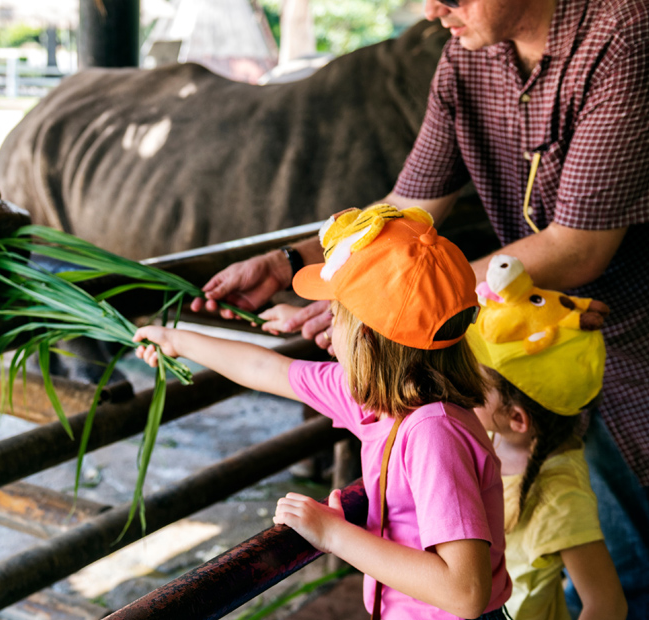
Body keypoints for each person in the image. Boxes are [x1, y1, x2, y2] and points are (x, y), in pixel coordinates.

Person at [191, 0, 649, 611]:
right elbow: (408, 207)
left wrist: (379, 294)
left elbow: (579, 245)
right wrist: (291, 263)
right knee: (584, 544)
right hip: (528, 348)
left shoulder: (624, 32)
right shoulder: (467, 53)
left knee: (629, 549)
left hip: (629, 345)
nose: (434, 9)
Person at [136, 206, 511, 620]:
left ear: (364, 336)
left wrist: (333, 534)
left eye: (335, 315)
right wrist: (178, 341)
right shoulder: (372, 401)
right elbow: (267, 369)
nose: (329, 324)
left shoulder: (433, 433)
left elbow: (465, 592)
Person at [468, 254, 626, 619]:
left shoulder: (557, 496)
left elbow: (607, 604)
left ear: (517, 419)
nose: (462, 382)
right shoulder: (493, 438)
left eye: (475, 380)